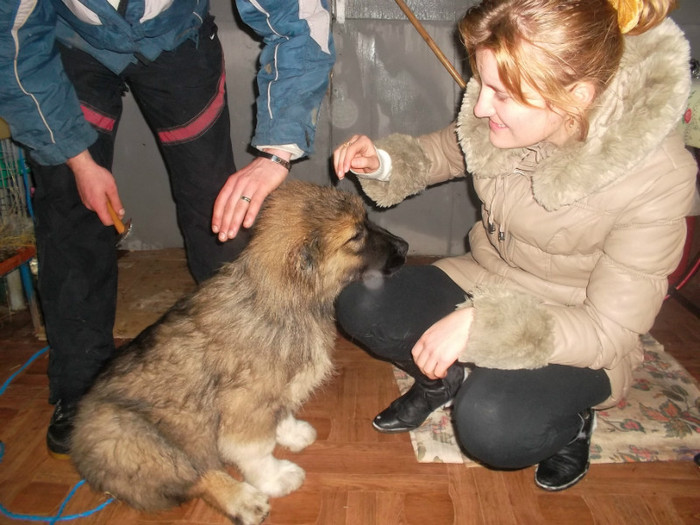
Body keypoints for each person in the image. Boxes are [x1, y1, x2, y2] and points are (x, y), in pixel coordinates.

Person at [332, 0, 696, 491]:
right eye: (483, 85)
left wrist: (485, 326)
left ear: (576, 96)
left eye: (501, 96)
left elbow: (609, 329)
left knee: (492, 422)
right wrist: (380, 162)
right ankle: (444, 379)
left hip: (575, 323)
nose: (481, 108)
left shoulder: (659, 174)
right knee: (360, 301)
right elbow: (445, 149)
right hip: (488, 276)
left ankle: (571, 427)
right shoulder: (509, 106)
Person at [0, 0, 334, 458]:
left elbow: (301, 22)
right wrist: (77, 160)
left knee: (217, 210)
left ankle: (251, 370)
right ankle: (77, 386)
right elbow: (13, 41)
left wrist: (276, 154)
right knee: (72, 213)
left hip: (179, 37)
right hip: (72, 44)